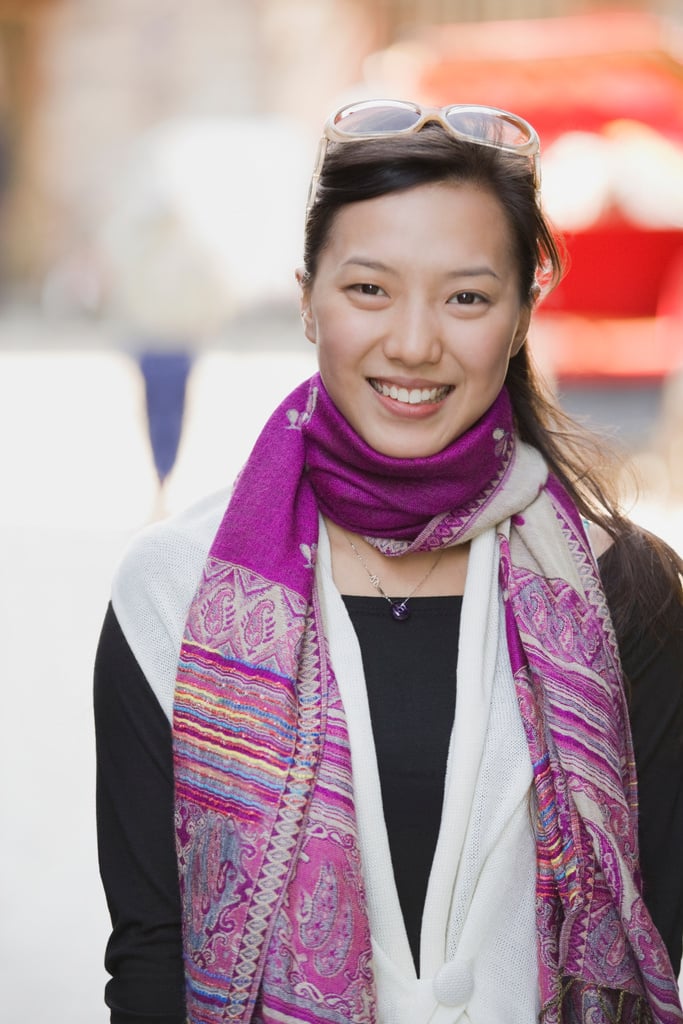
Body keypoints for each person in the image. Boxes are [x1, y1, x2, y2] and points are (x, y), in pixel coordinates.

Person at [94, 100, 683, 1024]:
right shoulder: (169, 590)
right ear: (305, 298)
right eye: (368, 289)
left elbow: (653, 927)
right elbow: (153, 956)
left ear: (523, 315)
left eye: (466, 297)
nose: (413, 343)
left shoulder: (626, 592)